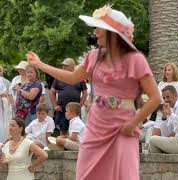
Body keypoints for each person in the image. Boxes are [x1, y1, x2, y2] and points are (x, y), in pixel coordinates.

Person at [26, 5, 160, 180]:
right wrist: (40, 64)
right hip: (96, 124)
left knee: (123, 175)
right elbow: (72, 77)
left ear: (111, 33)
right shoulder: (93, 56)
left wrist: (132, 123)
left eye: (99, 28)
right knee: (86, 174)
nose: (95, 31)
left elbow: (155, 98)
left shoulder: (135, 59)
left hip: (122, 126)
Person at [49, 58, 87, 135]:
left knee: (75, 131)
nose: (63, 67)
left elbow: (85, 93)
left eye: (66, 66)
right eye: (63, 65)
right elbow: (51, 92)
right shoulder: (59, 77)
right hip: (62, 109)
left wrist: (79, 106)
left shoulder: (79, 78)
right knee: (63, 131)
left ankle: (72, 146)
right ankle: (63, 146)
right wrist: (55, 105)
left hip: (74, 111)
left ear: (72, 66)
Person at [152, 62, 178, 137]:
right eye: (166, 70)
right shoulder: (161, 84)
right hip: (161, 113)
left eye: (169, 70)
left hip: (173, 114)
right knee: (154, 136)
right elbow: (157, 98)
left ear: (174, 72)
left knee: (169, 137)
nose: (167, 72)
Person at [0, 78, 10, 143]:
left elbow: (6, 91)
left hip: (1, 103)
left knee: (2, 122)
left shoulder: (0, 79)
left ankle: (2, 141)